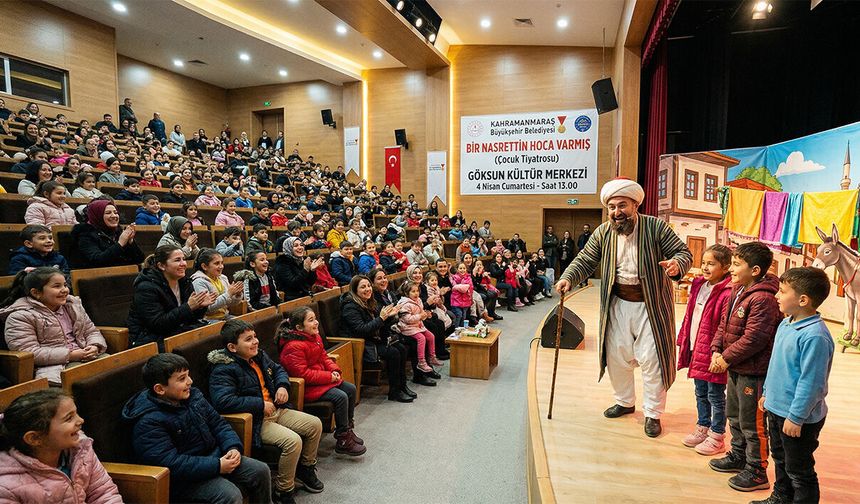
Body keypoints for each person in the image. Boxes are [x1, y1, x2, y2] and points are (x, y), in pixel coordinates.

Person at [556, 178, 692, 438]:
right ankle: (625, 402)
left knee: (652, 360)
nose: (617, 212)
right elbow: (585, 259)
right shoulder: (603, 232)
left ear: (635, 205)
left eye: (622, 206)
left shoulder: (655, 227)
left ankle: (653, 413)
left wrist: (677, 265)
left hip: (651, 306)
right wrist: (568, 278)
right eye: (612, 207)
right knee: (616, 357)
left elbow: (683, 252)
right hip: (616, 303)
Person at [122, 353, 272, 504]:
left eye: (188, 375)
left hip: (215, 459)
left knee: (260, 470)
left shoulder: (193, 396)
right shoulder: (148, 421)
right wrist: (217, 466)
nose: (190, 381)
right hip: (183, 480)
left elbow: (218, 424)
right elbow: (170, 463)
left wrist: (232, 447)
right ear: (160, 389)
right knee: (229, 495)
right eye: (182, 379)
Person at [207, 320, 324, 504]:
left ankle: (305, 469)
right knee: (293, 441)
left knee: (315, 424)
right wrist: (259, 404)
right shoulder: (223, 369)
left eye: (254, 337)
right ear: (232, 347)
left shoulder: (258, 355)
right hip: (257, 420)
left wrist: (282, 386)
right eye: (248, 339)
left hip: (276, 409)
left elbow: (278, 369)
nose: (255, 341)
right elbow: (223, 401)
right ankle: (283, 490)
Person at [756, 267, 833, 504]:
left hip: (798, 418)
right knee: (780, 459)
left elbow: (812, 384)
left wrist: (796, 417)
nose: (776, 295)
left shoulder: (815, 336)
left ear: (803, 300)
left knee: (799, 470)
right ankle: (781, 497)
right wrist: (767, 393)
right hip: (777, 409)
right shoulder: (786, 324)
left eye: (782, 291)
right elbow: (776, 365)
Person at [707, 241, 780, 491]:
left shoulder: (763, 299)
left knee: (752, 423)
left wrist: (726, 358)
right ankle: (738, 456)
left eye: (737, 264)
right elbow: (724, 324)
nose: (732, 269)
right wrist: (716, 350)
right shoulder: (738, 289)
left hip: (754, 372)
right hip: (737, 367)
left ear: (755, 270)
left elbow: (755, 338)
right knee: (734, 415)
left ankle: (757, 471)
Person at [0, 389, 122, 503]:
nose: (81, 420)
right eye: (69, 418)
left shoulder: (81, 451)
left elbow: (104, 493)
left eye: (76, 414)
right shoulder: (6, 487)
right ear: (34, 438)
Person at [279, 307, 365, 456]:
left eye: (315, 318)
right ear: (299, 327)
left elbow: (324, 357)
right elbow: (303, 374)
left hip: (320, 380)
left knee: (350, 388)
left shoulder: (314, 337)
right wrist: (329, 377)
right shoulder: (292, 347)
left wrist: (334, 370)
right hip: (305, 387)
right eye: (311, 320)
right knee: (340, 396)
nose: (316, 322)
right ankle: (343, 439)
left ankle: (347, 428)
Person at [0, 267, 107, 385]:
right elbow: (30, 352)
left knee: (116, 367)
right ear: (36, 293)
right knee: (97, 380)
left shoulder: (72, 305)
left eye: (65, 285)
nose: (65, 290)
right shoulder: (20, 316)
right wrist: (71, 355)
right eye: (57, 286)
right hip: (53, 367)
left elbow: (91, 331)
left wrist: (94, 346)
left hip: (85, 355)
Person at [676, 244, 733, 455]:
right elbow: (690, 316)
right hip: (696, 347)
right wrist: (683, 339)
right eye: (703, 263)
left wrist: (719, 353)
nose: (705, 267)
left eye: (711, 263)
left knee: (715, 395)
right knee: (700, 391)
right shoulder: (699, 284)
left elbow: (725, 326)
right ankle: (703, 427)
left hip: (713, 353)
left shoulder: (728, 292)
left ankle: (717, 436)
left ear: (725, 267)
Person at [340, 275, 414, 402]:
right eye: (363, 287)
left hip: (373, 339)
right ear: (355, 290)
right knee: (393, 353)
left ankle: (402, 386)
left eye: (369, 286)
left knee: (401, 348)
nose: (367, 289)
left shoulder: (369, 301)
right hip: (361, 344)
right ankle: (394, 392)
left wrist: (390, 316)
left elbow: (380, 323)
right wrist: (382, 318)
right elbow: (361, 330)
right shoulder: (350, 307)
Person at [127, 245, 214, 350]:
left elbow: (190, 319)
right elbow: (158, 324)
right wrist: (188, 307)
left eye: (183, 259)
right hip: (150, 339)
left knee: (214, 334)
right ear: (161, 266)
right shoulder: (146, 287)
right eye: (177, 260)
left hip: (176, 331)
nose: (183, 264)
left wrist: (200, 307)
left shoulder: (184, 282)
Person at [70, 200, 144, 269]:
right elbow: (98, 261)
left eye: (115, 212)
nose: (114, 216)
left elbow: (140, 259)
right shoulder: (85, 235)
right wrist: (120, 244)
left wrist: (130, 242)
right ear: (97, 215)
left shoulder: (118, 231)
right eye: (108, 213)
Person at [396, 281, 442, 373]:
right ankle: (421, 361)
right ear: (407, 293)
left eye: (417, 291)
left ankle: (432, 357)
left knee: (431, 336)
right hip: (408, 328)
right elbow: (407, 319)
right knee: (421, 338)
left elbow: (421, 312)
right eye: (413, 291)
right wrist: (420, 316)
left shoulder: (419, 300)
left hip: (417, 325)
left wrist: (425, 315)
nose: (416, 293)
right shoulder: (405, 304)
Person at [191, 249, 244, 322]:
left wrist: (237, 295)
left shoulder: (223, 278)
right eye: (217, 263)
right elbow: (208, 308)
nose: (221, 266)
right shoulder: (199, 282)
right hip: (207, 320)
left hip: (225, 316)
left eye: (222, 263)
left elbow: (230, 303)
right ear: (204, 266)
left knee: (245, 324)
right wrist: (229, 293)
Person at [274, 237, 323, 301]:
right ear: (289, 248)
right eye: (296, 246)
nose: (300, 247)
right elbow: (293, 284)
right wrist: (305, 270)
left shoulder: (301, 261)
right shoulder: (282, 263)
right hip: (290, 299)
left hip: (303, 295)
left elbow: (309, 283)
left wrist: (312, 270)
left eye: (301, 245)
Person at [449, 262, 475, 328]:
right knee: (459, 315)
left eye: (464, 268)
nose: (462, 270)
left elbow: (469, 288)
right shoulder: (454, 278)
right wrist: (460, 287)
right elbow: (458, 287)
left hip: (466, 301)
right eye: (460, 268)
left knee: (463, 316)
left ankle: (462, 329)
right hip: (456, 301)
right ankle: (456, 329)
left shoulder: (468, 278)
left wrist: (458, 287)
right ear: (457, 269)